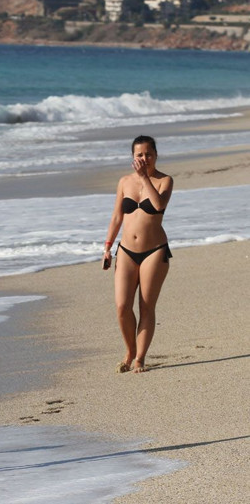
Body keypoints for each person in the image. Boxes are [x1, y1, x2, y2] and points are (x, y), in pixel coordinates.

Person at [103, 135, 173, 374]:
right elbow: (116, 217)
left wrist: (145, 178)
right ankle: (129, 350)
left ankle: (140, 358)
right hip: (125, 251)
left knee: (146, 306)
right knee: (122, 306)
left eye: (148, 154)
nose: (144, 158)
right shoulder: (124, 182)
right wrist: (107, 247)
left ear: (156, 154)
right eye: (139, 155)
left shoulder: (165, 180)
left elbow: (158, 205)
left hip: (154, 251)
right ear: (133, 157)